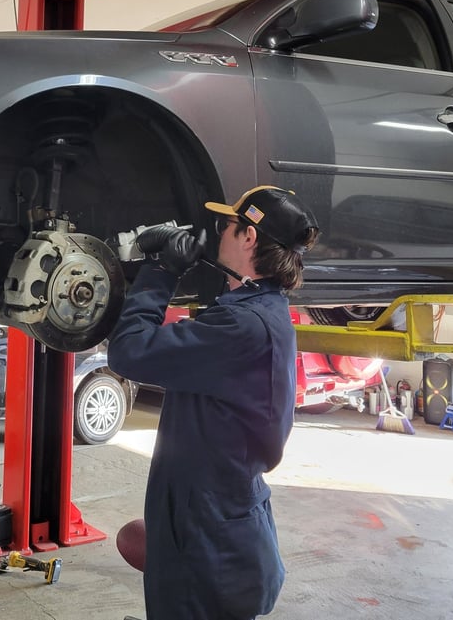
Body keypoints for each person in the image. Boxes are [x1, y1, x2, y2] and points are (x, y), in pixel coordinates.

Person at [108, 185, 320, 620]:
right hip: (212, 516)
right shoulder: (259, 309)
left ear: (249, 238)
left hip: (208, 542)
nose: (219, 231)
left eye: (227, 225)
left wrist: (163, 270)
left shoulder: (242, 326)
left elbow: (129, 351)